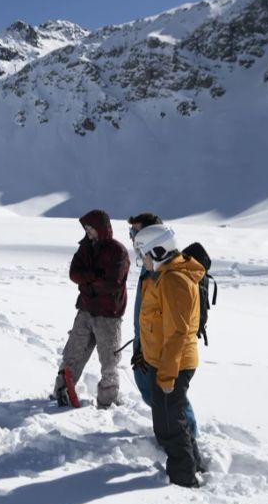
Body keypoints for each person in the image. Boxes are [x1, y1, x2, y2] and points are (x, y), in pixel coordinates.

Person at [133, 224, 205, 487]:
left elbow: (177, 332)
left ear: (159, 250)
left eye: (144, 253)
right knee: (164, 421)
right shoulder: (164, 274)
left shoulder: (175, 280)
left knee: (171, 424)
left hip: (174, 362)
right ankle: (193, 463)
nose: (142, 259)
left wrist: (166, 373)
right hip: (160, 360)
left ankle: (184, 477)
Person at [128, 214, 199, 439]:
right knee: (154, 397)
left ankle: (188, 438)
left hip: (165, 352)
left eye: (136, 233)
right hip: (148, 344)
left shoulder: (164, 272)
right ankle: (171, 433)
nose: (132, 238)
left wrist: (167, 370)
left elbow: (176, 328)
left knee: (172, 402)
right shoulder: (148, 265)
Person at [53, 209, 130, 408]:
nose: (88, 231)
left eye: (91, 228)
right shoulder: (85, 248)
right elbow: (74, 274)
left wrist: (88, 282)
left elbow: (112, 283)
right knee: (73, 352)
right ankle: (61, 389)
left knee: (109, 359)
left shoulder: (118, 251)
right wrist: (95, 277)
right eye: (86, 228)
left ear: (102, 228)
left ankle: (108, 399)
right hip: (86, 309)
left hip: (108, 314)